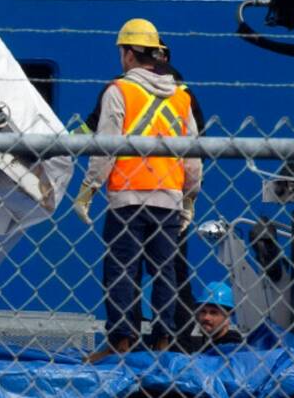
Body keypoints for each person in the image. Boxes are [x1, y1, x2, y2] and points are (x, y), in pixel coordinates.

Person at [75, 18, 201, 357]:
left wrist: (88, 190)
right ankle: (163, 341)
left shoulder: (119, 91)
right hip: (169, 199)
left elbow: (106, 147)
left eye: (122, 51)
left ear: (129, 54)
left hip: (127, 200)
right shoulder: (181, 97)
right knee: (165, 273)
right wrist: (190, 198)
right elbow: (193, 155)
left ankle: (122, 342)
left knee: (121, 271)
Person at [153, 41, 205, 350]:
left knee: (127, 269)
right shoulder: (185, 96)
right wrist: (189, 195)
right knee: (172, 268)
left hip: (132, 192)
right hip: (172, 193)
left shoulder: (128, 89)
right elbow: (198, 145)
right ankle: (174, 335)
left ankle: (127, 336)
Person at [192, 281, 244, 353]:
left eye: (213, 313)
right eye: (203, 311)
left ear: (227, 318)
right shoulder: (209, 342)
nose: (206, 317)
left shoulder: (231, 347)